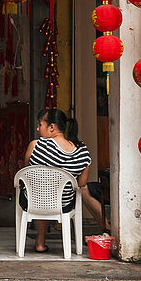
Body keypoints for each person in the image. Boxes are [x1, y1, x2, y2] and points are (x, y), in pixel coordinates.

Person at [22, 108, 107, 253]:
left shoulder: (36, 145)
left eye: (40, 125)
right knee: (72, 190)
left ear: (52, 127)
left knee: (40, 188)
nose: (37, 129)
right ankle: (107, 228)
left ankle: (40, 241)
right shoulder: (82, 151)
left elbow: (27, 170)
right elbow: (81, 184)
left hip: (34, 201)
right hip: (64, 204)